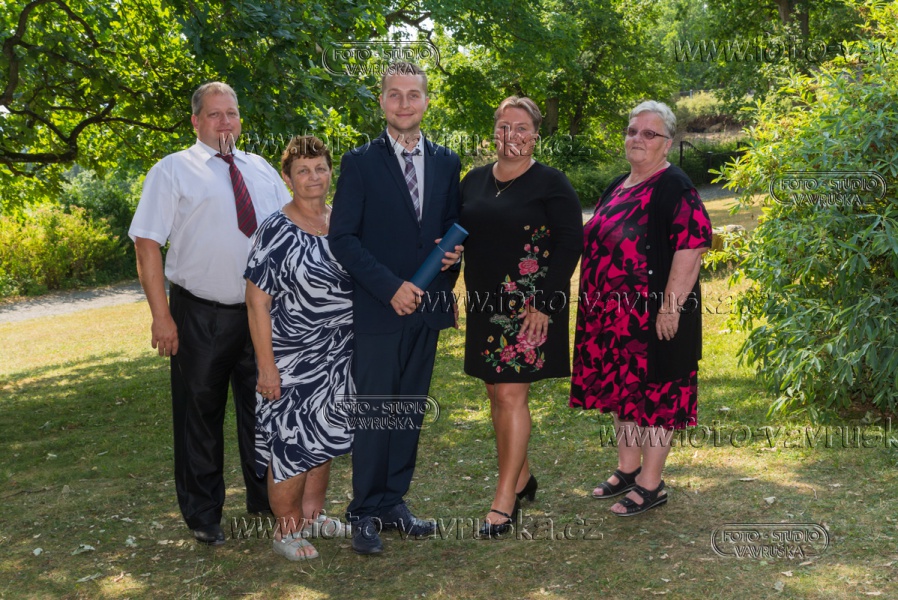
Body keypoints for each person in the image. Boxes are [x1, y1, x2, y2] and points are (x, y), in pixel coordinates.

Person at [129, 82, 290, 545]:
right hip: (201, 314)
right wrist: (161, 316)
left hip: (263, 314)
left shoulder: (260, 168)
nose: (225, 122)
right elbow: (146, 243)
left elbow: (294, 223)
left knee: (265, 411)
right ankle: (203, 514)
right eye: (215, 114)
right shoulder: (172, 170)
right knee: (199, 415)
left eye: (231, 113)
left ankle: (266, 499)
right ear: (196, 121)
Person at [329, 61, 463, 555]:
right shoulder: (359, 162)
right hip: (379, 311)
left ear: (426, 101)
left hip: (426, 309)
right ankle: (364, 511)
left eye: (414, 94)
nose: (404, 103)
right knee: (375, 414)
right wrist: (390, 288)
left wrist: (453, 258)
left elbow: (450, 231)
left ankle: (393, 502)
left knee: (407, 412)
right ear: (382, 101)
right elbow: (343, 238)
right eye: (394, 94)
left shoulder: (447, 162)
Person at [569, 100, 712, 516]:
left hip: (652, 318)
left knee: (657, 397)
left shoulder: (674, 186)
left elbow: (692, 246)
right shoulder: (619, 184)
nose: (638, 138)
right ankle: (628, 468)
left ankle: (651, 484)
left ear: (666, 143)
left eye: (649, 133)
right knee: (624, 395)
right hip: (611, 319)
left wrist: (670, 308)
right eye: (633, 131)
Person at [459, 96, 583, 537]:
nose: (511, 134)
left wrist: (546, 303)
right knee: (496, 394)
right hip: (484, 305)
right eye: (503, 126)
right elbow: (459, 236)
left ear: (535, 135)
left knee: (511, 395)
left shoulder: (551, 182)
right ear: (493, 131)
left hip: (531, 308)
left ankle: (504, 498)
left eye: (521, 127)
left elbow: (571, 243)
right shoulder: (472, 181)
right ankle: (524, 475)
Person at [244, 135, 354, 560]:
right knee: (292, 442)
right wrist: (267, 367)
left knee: (324, 434)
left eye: (320, 168)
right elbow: (257, 302)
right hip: (292, 358)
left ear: (331, 172)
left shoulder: (343, 221)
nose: (313, 177)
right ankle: (285, 530)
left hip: (339, 355)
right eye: (303, 170)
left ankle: (312, 516)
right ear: (287, 178)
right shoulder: (275, 229)